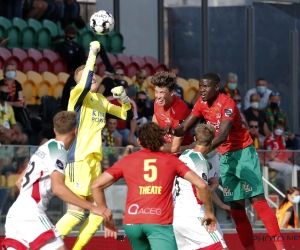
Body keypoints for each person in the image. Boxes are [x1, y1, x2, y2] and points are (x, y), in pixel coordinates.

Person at [168, 73, 285, 250]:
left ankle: (280, 247)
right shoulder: (201, 103)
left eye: (205, 86)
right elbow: (184, 128)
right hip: (226, 157)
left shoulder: (227, 103)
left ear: (216, 87)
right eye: (200, 86)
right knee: (237, 211)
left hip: (243, 153)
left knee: (257, 201)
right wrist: (171, 129)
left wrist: (200, 149)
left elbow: (222, 136)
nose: (202, 90)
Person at [90, 122, 217, 250]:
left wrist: (106, 215)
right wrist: (210, 213)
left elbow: (96, 186)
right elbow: (202, 185)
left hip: (132, 222)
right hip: (158, 222)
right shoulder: (171, 160)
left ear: (139, 141)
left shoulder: (127, 160)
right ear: (161, 141)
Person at [55, 41, 132, 250]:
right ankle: (44, 245)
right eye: (87, 77)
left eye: (94, 76)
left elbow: (126, 114)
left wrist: (124, 99)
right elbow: (87, 76)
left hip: (94, 161)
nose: (93, 78)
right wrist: (92, 53)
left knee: (99, 214)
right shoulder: (77, 96)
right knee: (76, 212)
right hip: (78, 158)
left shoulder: (100, 100)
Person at [1, 111, 113, 250]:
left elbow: (20, 182)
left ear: (55, 130)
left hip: (16, 213)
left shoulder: (45, 146)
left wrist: (43, 212)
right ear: (75, 130)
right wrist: (93, 207)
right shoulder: (58, 151)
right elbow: (58, 188)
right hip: (31, 213)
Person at [173, 124, 228, 250]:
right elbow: (201, 192)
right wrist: (214, 185)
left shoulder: (184, 154)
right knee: (221, 248)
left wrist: (220, 204)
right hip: (194, 215)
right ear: (212, 142)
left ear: (194, 139)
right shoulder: (200, 162)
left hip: (177, 217)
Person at [151, 71, 193, 153]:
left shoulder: (180, 109)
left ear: (171, 92)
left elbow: (174, 148)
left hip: (180, 152)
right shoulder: (157, 101)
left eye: (162, 92)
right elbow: (155, 119)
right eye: (156, 91)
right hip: (163, 147)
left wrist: (151, 147)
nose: (158, 96)